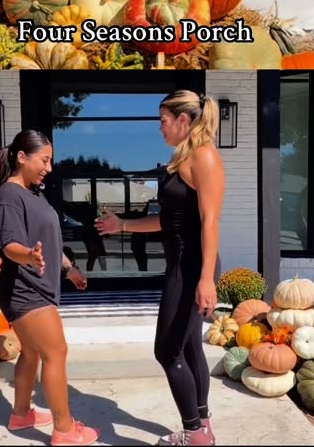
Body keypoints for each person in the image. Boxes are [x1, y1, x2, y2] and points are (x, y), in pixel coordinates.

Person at [96, 91, 224, 447]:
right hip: (183, 264)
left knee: (167, 351)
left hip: (193, 266)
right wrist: (121, 225)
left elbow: (210, 220)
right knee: (188, 347)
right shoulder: (181, 159)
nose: (159, 128)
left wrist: (204, 279)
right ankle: (203, 427)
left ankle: (195, 433)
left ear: (184, 121)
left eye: (162, 120)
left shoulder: (204, 156)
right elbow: (169, 222)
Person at [0, 130, 99, 447]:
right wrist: (28, 256)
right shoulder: (9, 196)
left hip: (36, 283)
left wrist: (69, 269)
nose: (49, 168)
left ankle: (21, 415)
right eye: (44, 160)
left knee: (33, 352)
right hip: (23, 288)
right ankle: (64, 430)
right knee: (56, 352)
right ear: (22, 157)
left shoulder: (34, 193)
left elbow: (49, 242)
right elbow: (9, 245)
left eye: (50, 160)